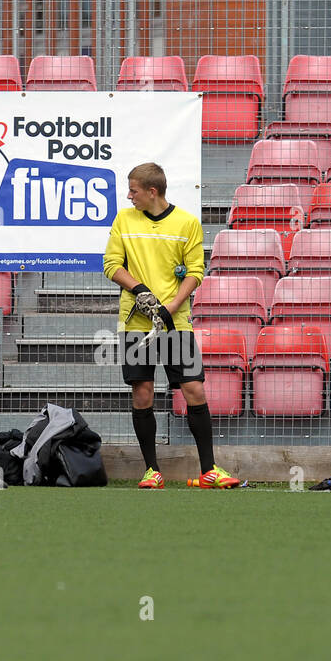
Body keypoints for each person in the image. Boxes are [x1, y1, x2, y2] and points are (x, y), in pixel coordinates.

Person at [103, 162, 239, 489]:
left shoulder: (187, 223)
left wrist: (170, 308)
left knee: (193, 388)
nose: (128, 196)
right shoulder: (124, 219)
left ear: (152, 191)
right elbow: (111, 265)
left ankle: (209, 471)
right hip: (137, 325)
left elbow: (195, 271)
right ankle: (152, 471)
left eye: (133, 190)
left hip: (176, 323)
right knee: (143, 393)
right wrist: (140, 291)